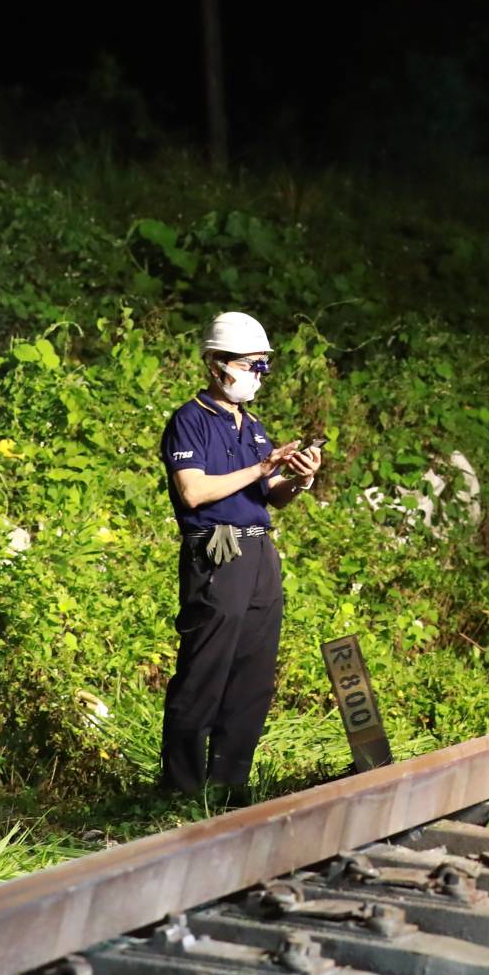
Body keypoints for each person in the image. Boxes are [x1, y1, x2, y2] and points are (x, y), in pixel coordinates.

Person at [158, 311, 323, 797]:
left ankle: (230, 788)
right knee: (204, 670)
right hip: (216, 551)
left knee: (253, 675)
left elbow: (273, 492)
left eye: (263, 367)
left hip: (259, 554)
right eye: (252, 365)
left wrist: (301, 477)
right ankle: (180, 789)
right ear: (216, 364)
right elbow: (193, 492)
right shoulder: (190, 421)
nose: (258, 376)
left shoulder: (253, 427)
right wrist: (262, 467)